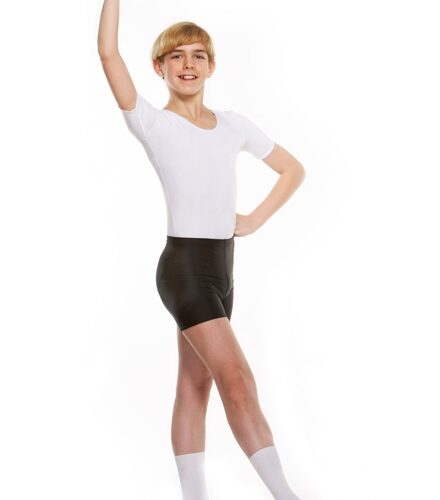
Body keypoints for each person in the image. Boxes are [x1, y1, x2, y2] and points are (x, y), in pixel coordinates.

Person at [98, 2, 306, 499]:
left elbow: (293, 169)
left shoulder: (234, 125)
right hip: (184, 270)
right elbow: (108, 53)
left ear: (211, 66)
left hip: (222, 269)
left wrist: (253, 219)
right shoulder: (151, 123)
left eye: (197, 55)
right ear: (159, 68)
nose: (187, 64)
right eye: (176, 56)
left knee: (196, 386)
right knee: (238, 378)